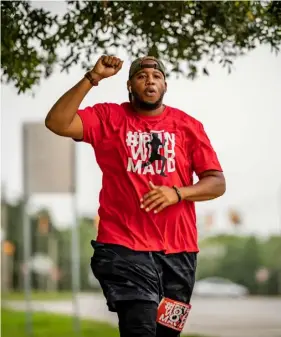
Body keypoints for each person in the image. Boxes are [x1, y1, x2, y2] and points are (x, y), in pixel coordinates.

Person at [45, 55, 226, 337]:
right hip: (124, 249)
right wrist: (92, 78)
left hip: (179, 255)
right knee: (139, 327)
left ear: (165, 84)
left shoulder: (188, 126)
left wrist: (178, 193)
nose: (150, 81)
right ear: (130, 85)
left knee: (167, 333)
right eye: (141, 77)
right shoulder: (108, 118)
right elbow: (57, 122)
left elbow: (216, 183)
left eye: (156, 76)